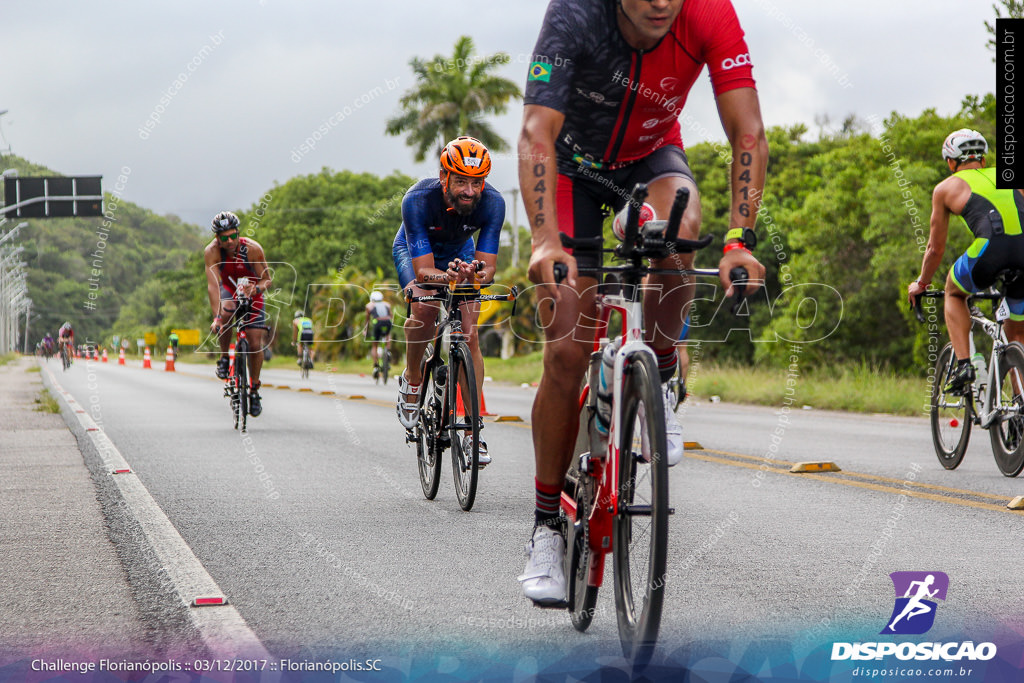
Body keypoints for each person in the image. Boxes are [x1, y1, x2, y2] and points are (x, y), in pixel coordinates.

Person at [516, 0, 768, 606]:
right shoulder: (574, 13)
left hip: (650, 160)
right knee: (567, 354)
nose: (660, 2)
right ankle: (546, 527)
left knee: (683, 228)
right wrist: (547, 239)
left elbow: (748, 132)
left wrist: (739, 241)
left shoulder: (710, 13)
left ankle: (660, 369)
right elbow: (535, 132)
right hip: (573, 165)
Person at [393, 136, 505, 467]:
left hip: (460, 255)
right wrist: (449, 278)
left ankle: (473, 432)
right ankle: (413, 379)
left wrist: (474, 274)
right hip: (417, 254)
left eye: (476, 182)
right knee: (425, 308)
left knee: (469, 336)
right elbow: (424, 271)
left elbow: (489, 268)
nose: (469, 191)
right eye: (460, 181)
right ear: (444, 177)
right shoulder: (417, 199)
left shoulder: (494, 204)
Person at [908, 129, 1024, 393]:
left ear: (951, 162)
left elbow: (935, 249)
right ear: (983, 160)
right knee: (1016, 336)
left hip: (990, 250)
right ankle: (1020, 412)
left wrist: (922, 283)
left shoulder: (946, 188)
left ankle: (964, 365)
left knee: (954, 293)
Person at [204, 210, 273, 417]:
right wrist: (216, 318)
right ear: (217, 238)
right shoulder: (212, 252)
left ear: (238, 233)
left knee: (254, 343)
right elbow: (213, 286)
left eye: (233, 235)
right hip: (228, 289)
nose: (230, 241)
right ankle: (224, 358)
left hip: (252, 291)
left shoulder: (252, 249)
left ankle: (254, 389)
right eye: (224, 238)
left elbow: (267, 279)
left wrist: (257, 289)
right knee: (225, 313)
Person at [364, 290, 393, 378]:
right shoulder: (387, 304)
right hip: (388, 322)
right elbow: (391, 316)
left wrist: (366, 330)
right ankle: (388, 351)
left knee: (374, 345)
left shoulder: (369, 306)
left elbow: (367, 321)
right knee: (388, 335)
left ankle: (376, 365)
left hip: (377, 323)